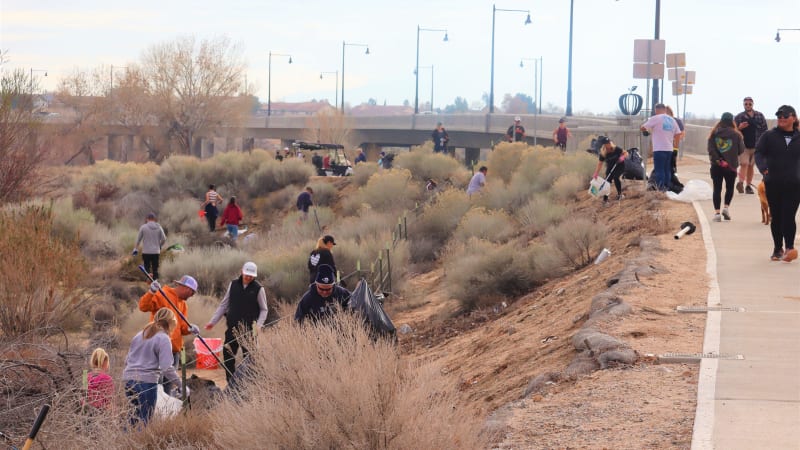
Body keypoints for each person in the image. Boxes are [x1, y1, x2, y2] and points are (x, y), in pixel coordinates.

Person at [205, 262, 268, 382]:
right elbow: (224, 305)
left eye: (251, 276)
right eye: (246, 274)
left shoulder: (259, 289)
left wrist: (259, 325)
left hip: (250, 330)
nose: (248, 277)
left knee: (250, 358)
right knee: (228, 355)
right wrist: (213, 322)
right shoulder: (233, 285)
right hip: (232, 329)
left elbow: (264, 309)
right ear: (242, 271)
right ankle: (231, 382)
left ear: (254, 276)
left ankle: (249, 384)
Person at [122, 307, 183, 426]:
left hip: (129, 381)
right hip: (147, 383)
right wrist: (181, 385)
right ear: (170, 324)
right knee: (145, 420)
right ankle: (142, 443)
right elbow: (167, 368)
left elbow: (127, 360)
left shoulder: (140, 334)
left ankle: (124, 442)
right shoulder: (163, 338)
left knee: (132, 418)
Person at [755, 105, 800, 262]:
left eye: (785, 116)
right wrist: (763, 168)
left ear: (793, 118)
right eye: (779, 116)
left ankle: (789, 248)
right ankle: (777, 248)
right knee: (777, 216)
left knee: (789, 215)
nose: (781, 118)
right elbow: (758, 152)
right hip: (773, 183)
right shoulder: (769, 136)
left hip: (795, 184)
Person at [138, 275, 199, 373]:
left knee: (170, 384)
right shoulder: (163, 295)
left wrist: (189, 328)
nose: (191, 296)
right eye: (192, 293)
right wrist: (151, 292)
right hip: (159, 349)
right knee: (158, 383)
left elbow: (182, 327)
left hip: (175, 351)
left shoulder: (183, 305)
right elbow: (143, 306)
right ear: (187, 288)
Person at [707, 112, 744, 222]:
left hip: (716, 166)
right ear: (732, 121)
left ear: (721, 120)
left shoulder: (713, 133)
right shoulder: (737, 135)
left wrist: (719, 160)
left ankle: (717, 213)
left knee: (717, 189)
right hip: (730, 166)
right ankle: (726, 208)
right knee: (730, 188)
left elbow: (710, 149)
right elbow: (741, 150)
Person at [641, 103, 680, 191]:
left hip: (659, 149)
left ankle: (661, 189)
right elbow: (678, 133)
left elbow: (642, 127)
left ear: (656, 110)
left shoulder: (655, 118)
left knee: (659, 170)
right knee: (667, 170)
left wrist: (645, 131)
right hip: (669, 149)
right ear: (665, 110)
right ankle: (667, 187)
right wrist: (675, 147)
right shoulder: (672, 120)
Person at [735, 96, 769, 195]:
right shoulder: (739, 117)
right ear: (743, 105)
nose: (748, 105)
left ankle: (748, 186)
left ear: (753, 104)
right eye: (746, 104)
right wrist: (739, 127)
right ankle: (740, 183)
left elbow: (765, 130)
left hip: (757, 145)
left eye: (750, 104)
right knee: (744, 164)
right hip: (744, 146)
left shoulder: (759, 116)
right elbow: (733, 131)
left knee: (751, 166)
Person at [592, 136, 628, 205]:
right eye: (607, 143)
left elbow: (626, 153)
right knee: (607, 181)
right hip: (610, 167)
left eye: (609, 142)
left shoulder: (616, 149)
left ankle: (620, 195)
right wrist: (596, 173)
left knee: (616, 177)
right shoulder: (603, 153)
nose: (609, 144)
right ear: (603, 145)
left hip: (619, 166)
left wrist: (622, 157)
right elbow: (600, 164)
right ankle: (605, 200)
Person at [132, 212, 167, 280]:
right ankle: (155, 283)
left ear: (147, 219)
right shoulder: (159, 227)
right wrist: (159, 245)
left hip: (146, 252)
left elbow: (138, 240)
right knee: (155, 269)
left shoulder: (143, 227)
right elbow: (164, 239)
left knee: (146, 269)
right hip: (156, 252)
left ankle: (148, 282)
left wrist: (135, 249)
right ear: (154, 219)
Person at [85, 348, 113, 412]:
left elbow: (83, 395)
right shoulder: (107, 378)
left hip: (85, 411)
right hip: (100, 413)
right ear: (105, 363)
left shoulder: (85, 376)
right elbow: (108, 401)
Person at [665, 106, 685, 176]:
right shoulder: (662, 121)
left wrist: (675, 139)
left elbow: (682, 133)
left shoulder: (677, 121)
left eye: (666, 112)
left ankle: (673, 177)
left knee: (672, 162)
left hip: (674, 146)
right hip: (664, 146)